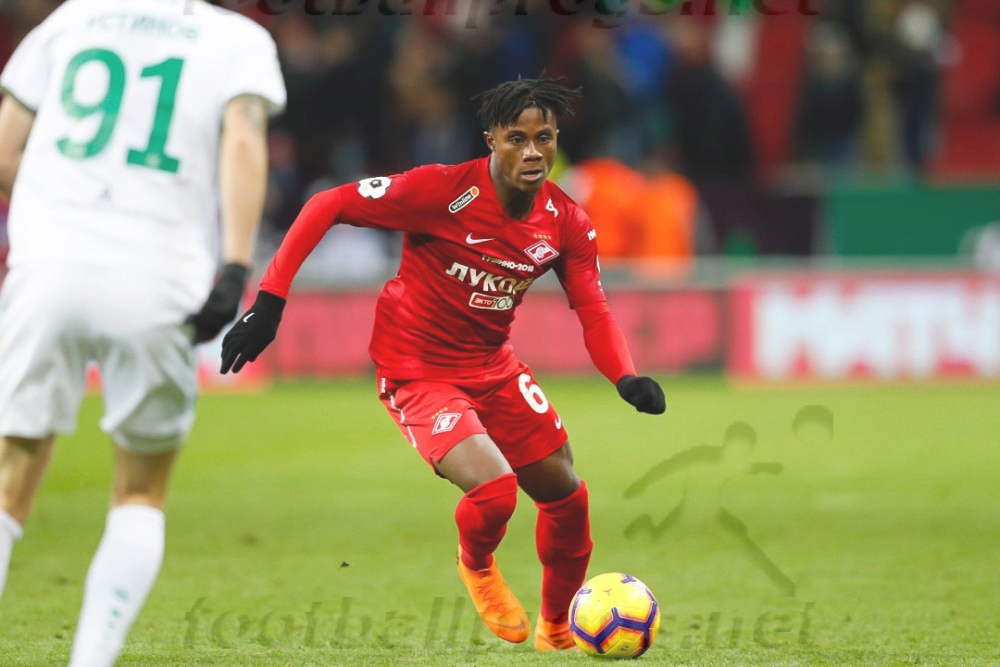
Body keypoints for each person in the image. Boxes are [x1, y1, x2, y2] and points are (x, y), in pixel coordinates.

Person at [220, 77, 665, 651]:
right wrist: (270, 301)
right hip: (417, 369)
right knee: (496, 492)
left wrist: (626, 377)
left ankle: (557, 628)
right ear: (491, 140)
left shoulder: (566, 221)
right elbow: (327, 204)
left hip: (493, 365)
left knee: (567, 496)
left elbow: (594, 309)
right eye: (518, 139)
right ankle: (476, 565)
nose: (533, 152)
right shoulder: (441, 190)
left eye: (545, 138)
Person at [0, 1, 286, 665]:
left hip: (48, 268)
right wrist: (235, 267)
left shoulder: (71, 20)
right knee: (139, 490)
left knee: (11, 477)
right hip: (157, 275)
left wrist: (55, 201)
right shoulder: (237, 38)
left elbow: (6, 147)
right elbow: (244, 142)